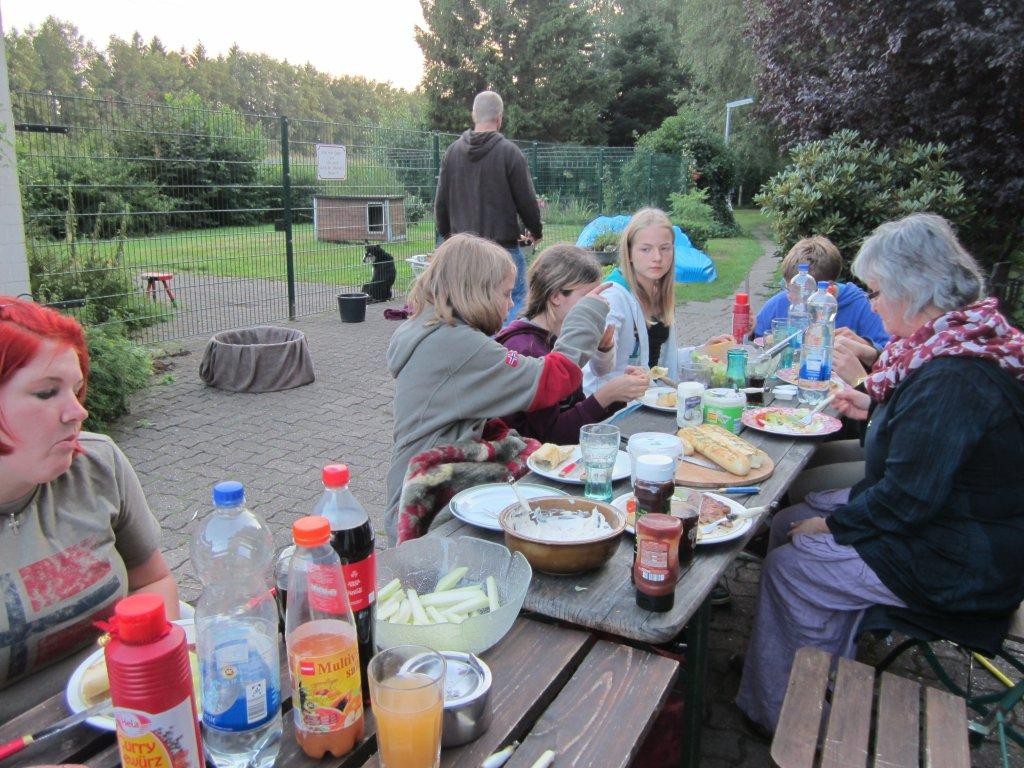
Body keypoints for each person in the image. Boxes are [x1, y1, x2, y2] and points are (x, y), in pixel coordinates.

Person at [736, 213, 1024, 734]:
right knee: (783, 525)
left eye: (876, 291)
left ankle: (782, 716)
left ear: (913, 292)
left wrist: (825, 528)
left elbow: (906, 500)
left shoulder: (955, 376)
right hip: (955, 522)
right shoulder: (958, 341)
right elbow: (928, 449)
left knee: (792, 564)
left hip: (960, 557)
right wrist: (873, 412)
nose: (869, 303)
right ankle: (792, 663)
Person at [0, 297, 179, 723]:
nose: (77, 411)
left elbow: (153, 580)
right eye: (47, 392)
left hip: (125, 712)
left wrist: (147, 672)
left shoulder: (95, 465)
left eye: (75, 389)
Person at [384, 234, 609, 545]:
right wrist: (586, 314)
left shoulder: (428, 329)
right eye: (505, 293)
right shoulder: (458, 343)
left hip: (418, 484)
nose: (510, 303)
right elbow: (553, 379)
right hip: (428, 500)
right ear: (476, 290)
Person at [495, 244, 650, 443]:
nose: (601, 304)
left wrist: (621, 393)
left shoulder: (558, 340)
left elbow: (575, 419)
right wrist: (606, 396)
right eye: (588, 297)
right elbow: (551, 437)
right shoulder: (527, 349)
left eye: (599, 296)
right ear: (556, 296)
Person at [434, 90, 543, 322]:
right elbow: (527, 201)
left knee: (464, 306)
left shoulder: (452, 153)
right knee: (516, 299)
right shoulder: (510, 153)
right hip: (502, 251)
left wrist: (448, 237)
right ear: (499, 118)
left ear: (474, 115)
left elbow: (440, 205)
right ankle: (504, 351)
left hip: (463, 253)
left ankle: (473, 352)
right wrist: (535, 230)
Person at [581, 208, 680, 394]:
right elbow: (599, 369)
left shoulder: (660, 292)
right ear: (629, 253)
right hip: (610, 410)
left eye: (664, 248)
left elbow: (659, 359)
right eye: (646, 249)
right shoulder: (613, 297)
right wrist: (604, 348)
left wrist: (701, 351)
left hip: (648, 399)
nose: (657, 257)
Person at [753, 235, 890, 349]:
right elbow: (756, 342)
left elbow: (885, 351)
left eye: (801, 293)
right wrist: (750, 331)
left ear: (828, 288)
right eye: (789, 288)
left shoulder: (861, 306)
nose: (790, 297)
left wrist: (862, 347)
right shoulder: (779, 303)